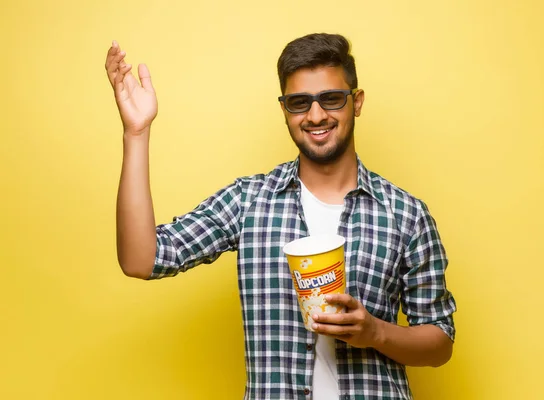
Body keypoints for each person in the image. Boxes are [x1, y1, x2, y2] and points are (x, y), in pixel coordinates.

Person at [105, 33, 457, 400]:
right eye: (299, 102)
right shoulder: (248, 201)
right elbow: (141, 258)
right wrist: (137, 132)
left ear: (357, 102)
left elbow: (440, 342)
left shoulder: (405, 214)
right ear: (285, 109)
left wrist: (374, 332)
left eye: (332, 99)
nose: (316, 115)